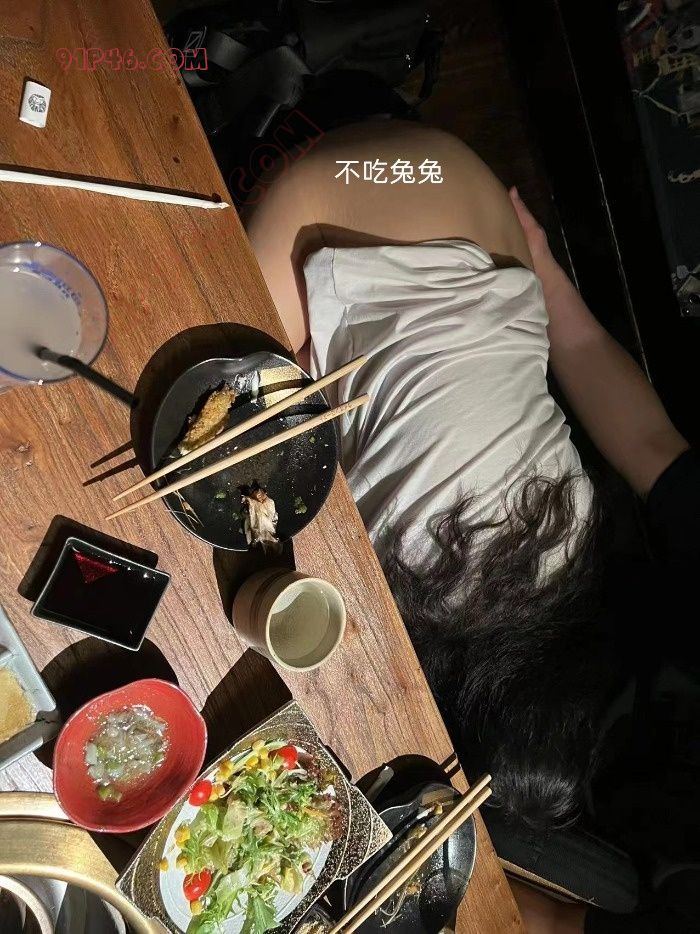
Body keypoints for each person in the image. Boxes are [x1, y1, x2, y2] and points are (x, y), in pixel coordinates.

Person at [243, 120, 691, 836]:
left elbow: (636, 430)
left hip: (471, 199)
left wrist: (542, 270)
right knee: (227, 384)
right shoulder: (414, 590)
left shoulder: (574, 547)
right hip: (335, 192)